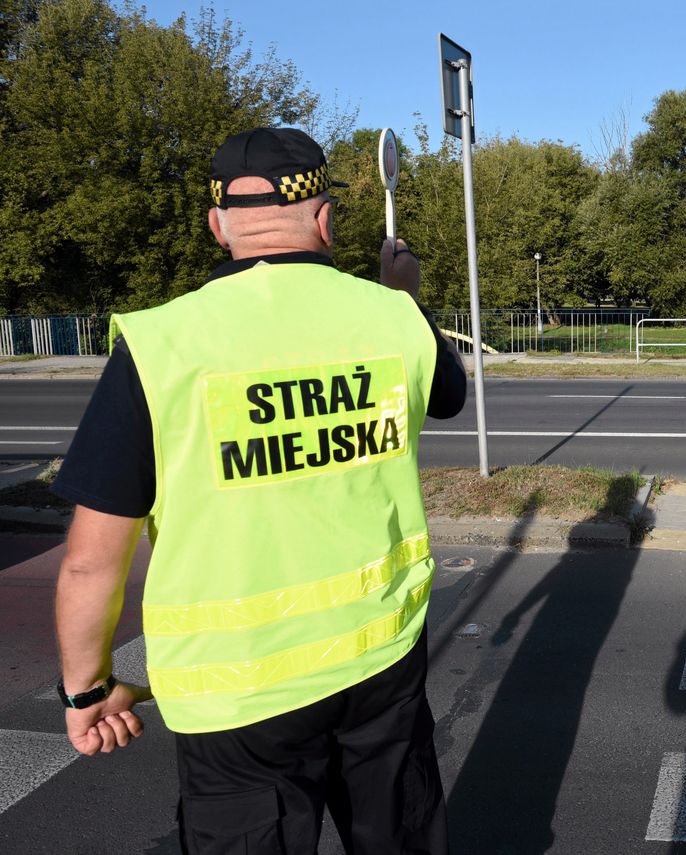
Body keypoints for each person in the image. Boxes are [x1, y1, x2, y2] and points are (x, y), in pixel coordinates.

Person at [50, 127, 463, 853]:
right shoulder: (395, 317)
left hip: (240, 702)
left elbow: (91, 561)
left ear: (217, 226)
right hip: (382, 662)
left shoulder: (162, 344)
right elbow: (449, 392)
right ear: (326, 218)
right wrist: (404, 295)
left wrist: (88, 690)